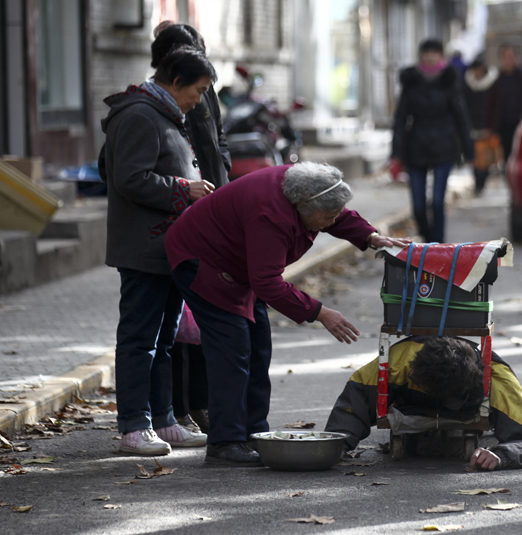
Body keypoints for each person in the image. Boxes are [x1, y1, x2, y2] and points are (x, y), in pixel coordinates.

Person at [165, 162, 410, 466]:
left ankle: (254, 434)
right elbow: (266, 282)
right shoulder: (270, 213)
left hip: (240, 265)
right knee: (232, 350)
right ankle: (225, 442)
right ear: (303, 207)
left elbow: (333, 211)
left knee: (258, 347)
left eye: (334, 215)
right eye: (327, 217)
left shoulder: (305, 190)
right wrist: (319, 312)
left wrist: (370, 236)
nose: (331, 221)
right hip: (203, 260)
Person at [102, 46, 218, 455]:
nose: (199, 99)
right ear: (175, 81)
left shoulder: (165, 114)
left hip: (169, 246)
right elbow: (127, 177)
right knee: (139, 339)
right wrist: (183, 189)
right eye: (198, 90)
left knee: (165, 338)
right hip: (142, 247)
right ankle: (134, 426)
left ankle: (164, 419)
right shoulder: (138, 114)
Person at [151, 22, 231, 434]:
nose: (198, 96)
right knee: (176, 326)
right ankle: (177, 408)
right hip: (179, 214)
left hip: (213, 208)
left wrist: (226, 184)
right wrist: (182, 189)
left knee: (202, 318)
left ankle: (198, 403)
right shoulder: (150, 108)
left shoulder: (203, 92)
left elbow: (218, 143)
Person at [325, 336, 522, 471]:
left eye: (417, 379)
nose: (411, 373)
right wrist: (335, 447)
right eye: (413, 370)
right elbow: (353, 405)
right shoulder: (399, 359)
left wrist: (503, 456)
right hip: (413, 407)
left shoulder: (497, 378)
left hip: (461, 408)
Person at [390, 39, 473, 244]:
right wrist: (395, 153)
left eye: (434, 52)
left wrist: (469, 151)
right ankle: (427, 238)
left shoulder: (448, 81)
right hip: (416, 145)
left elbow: (461, 117)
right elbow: (400, 119)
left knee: (437, 202)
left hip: (443, 145)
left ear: (441, 55)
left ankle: (438, 244)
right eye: (426, 52)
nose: (429, 56)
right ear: (421, 55)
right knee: (418, 205)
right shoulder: (411, 81)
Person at [484, 44, 522, 165]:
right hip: (504, 126)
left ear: (517, 57)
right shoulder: (498, 81)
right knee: (507, 158)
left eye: (511, 56)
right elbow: (491, 105)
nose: (508, 60)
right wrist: (490, 128)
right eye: (505, 57)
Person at [463, 55, 499, 195]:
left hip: (487, 125)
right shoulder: (467, 83)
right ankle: (477, 182)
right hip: (472, 125)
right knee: (474, 156)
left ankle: (481, 182)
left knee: (486, 157)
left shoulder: (492, 83)